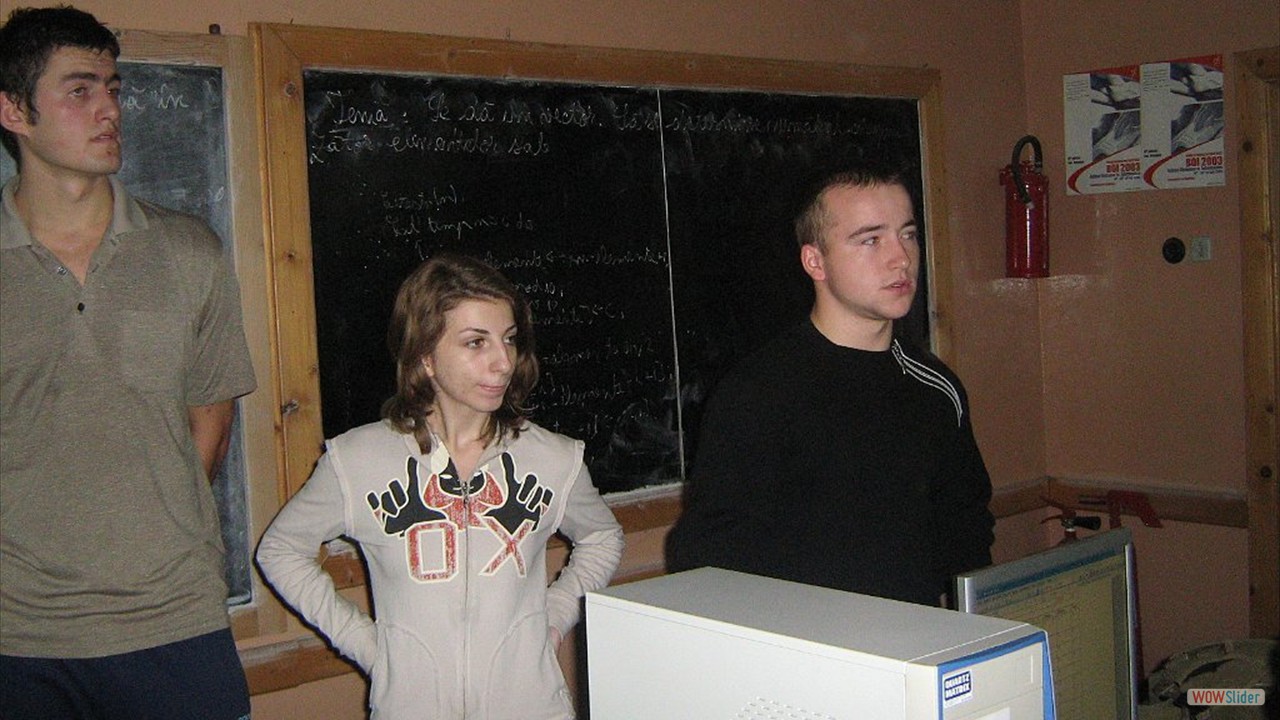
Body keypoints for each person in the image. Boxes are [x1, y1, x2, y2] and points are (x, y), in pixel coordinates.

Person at [0, 6, 257, 720]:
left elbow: (210, 425)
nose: (110, 108)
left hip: (175, 622)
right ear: (14, 111)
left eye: (113, 88)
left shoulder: (189, 252)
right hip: (18, 635)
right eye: (80, 90)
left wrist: (145, 537)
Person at [256, 253, 624, 719]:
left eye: (509, 339)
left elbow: (603, 537)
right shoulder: (356, 461)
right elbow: (281, 550)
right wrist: (370, 647)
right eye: (476, 342)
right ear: (426, 356)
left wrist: (555, 615)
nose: (503, 362)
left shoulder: (554, 458)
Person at [665, 162, 994, 607]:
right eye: (871, 240)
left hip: (913, 639)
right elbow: (708, 555)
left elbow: (966, 534)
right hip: (798, 643)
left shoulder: (936, 390)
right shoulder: (759, 393)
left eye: (908, 234)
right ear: (815, 261)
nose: (901, 258)